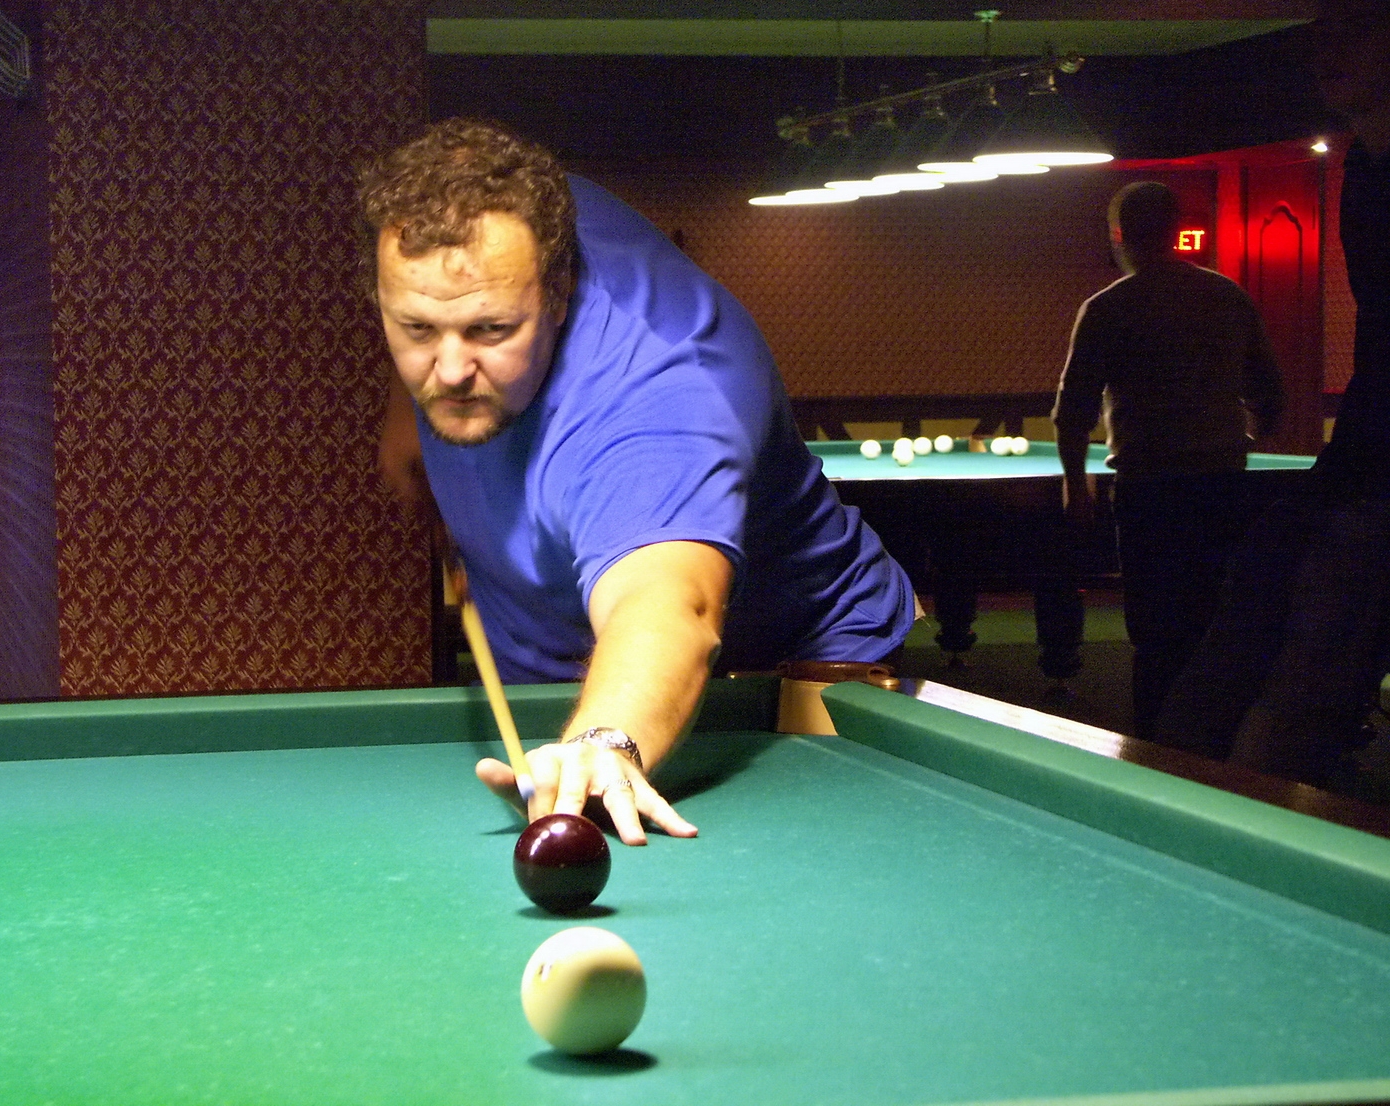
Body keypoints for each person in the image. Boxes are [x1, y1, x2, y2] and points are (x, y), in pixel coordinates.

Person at [363, 119, 915, 844]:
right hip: (552, 662)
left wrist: (605, 741)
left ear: (558, 291)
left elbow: (667, 605)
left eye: (491, 331)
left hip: (775, 675)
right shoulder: (496, 226)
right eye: (417, 329)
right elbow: (447, 312)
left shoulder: (659, 398)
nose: (452, 369)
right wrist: (406, 409)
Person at [1153, 0, 1390, 788]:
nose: (1328, 49)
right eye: (1323, 32)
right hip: (1363, 452)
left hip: (1373, 472)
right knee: (1244, 637)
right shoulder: (1364, 168)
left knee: (1309, 671)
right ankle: (1178, 803)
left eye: (1355, 29)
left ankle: (1238, 824)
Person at [1052, 181, 1285, 739]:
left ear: (1118, 236)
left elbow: (1074, 412)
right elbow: (1270, 394)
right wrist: (1238, 441)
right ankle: (1217, 744)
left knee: (1155, 631)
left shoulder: (1108, 308)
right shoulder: (1227, 296)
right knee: (1215, 620)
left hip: (1149, 489)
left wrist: (1075, 487)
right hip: (1221, 484)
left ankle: (1157, 743)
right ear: (1176, 229)